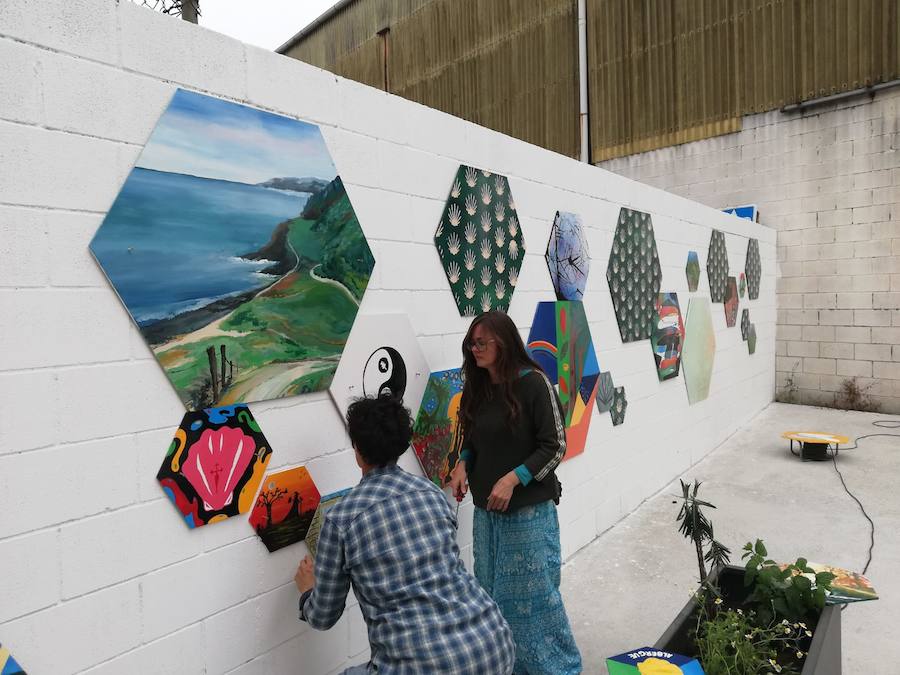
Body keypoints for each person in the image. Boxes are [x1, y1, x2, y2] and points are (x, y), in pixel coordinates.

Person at [295, 394, 515, 675]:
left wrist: (307, 592)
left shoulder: (341, 519)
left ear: (357, 449)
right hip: (494, 646)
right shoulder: (432, 493)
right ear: (402, 444)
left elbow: (323, 616)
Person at [448, 310, 583, 675]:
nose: (474, 350)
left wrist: (514, 478)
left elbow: (555, 445)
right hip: (487, 516)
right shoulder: (477, 389)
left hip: (528, 515)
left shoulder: (533, 383)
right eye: (470, 343)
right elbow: (472, 442)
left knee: (536, 600)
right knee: (493, 596)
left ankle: (556, 668)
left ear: (503, 343)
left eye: (481, 343)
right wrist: (462, 464)